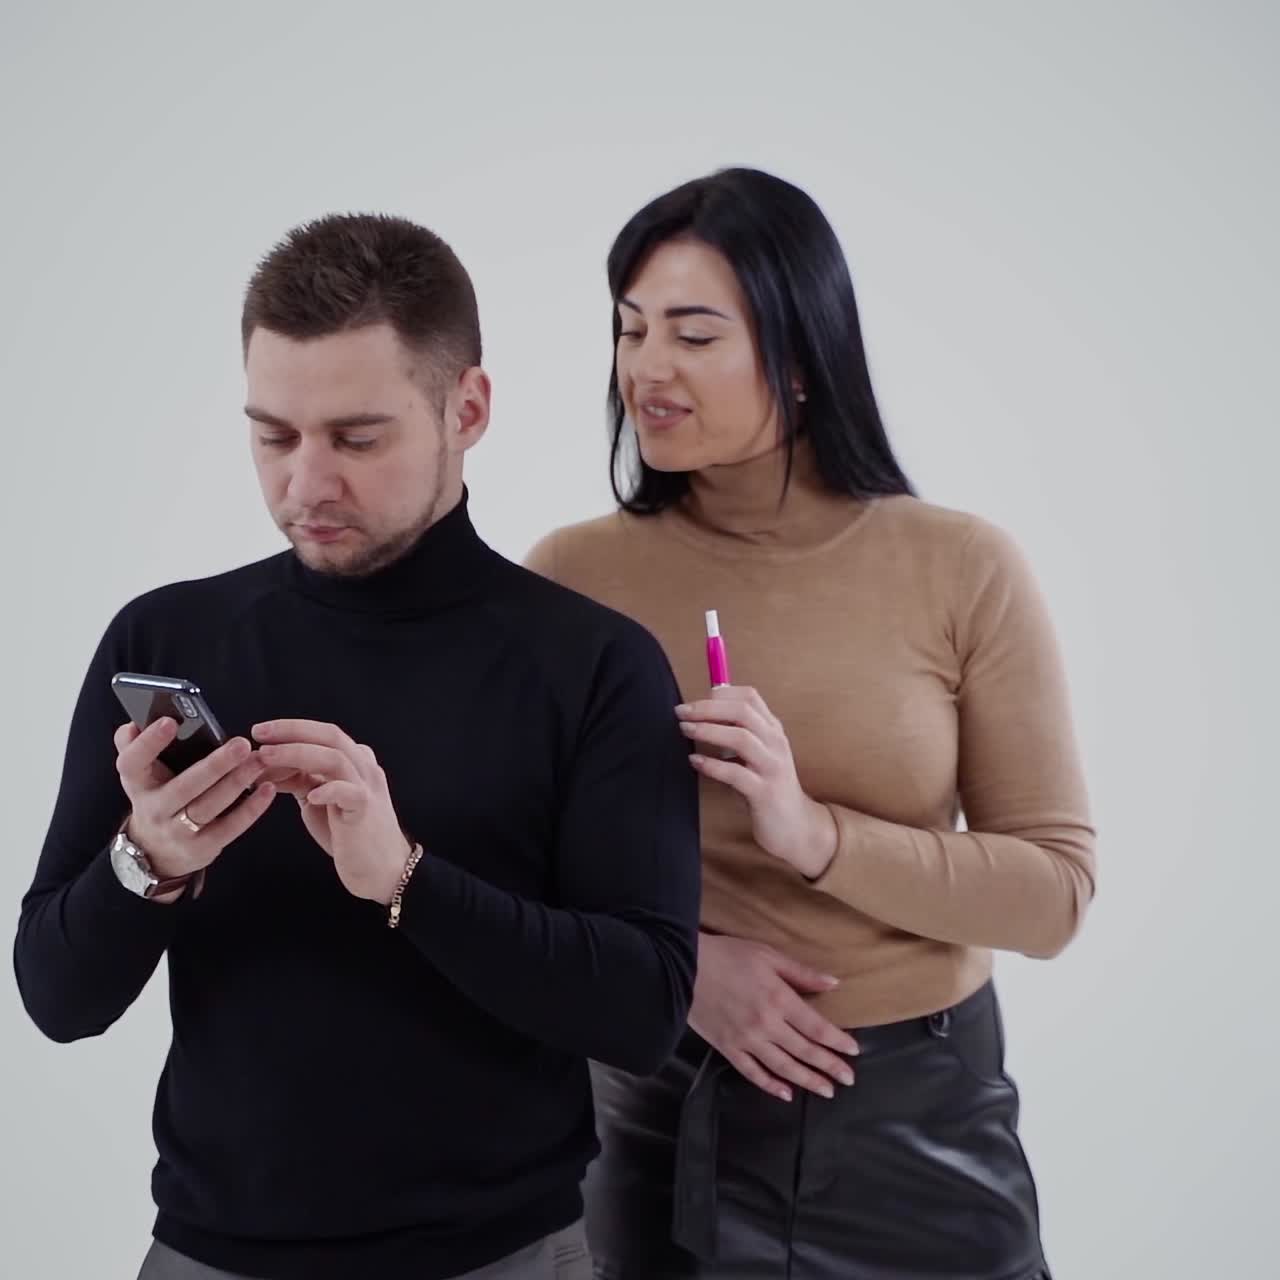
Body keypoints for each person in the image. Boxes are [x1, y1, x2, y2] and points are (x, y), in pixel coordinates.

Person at [14, 213, 701, 1280]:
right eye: (274, 435)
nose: (305, 484)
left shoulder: (592, 664)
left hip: (501, 1258)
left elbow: (642, 1009)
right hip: (208, 1255)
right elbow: (55, 996)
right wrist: (149, 862)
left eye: (356, 437)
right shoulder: (165, 637)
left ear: (466, 408)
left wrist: (405, 879)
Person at [524, 167, 1096, 1280]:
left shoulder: (959, 565)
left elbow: (1052, 893)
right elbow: (501, 855)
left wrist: (814, 835)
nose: (645, 366)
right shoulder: (569, 578)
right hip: (649, 1106)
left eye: (691, 333)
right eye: (629, 328)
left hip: (915, 1122)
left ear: (797, 359)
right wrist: (683, 965)